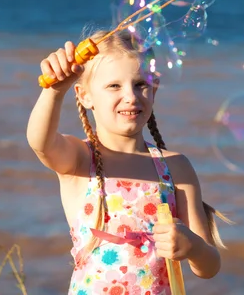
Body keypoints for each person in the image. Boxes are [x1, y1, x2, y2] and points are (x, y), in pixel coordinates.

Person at [27, 29, 230, 295]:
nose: (131, 96)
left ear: (154, 89)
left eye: (140, 83)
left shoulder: (175, 167)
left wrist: (192, 246)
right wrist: (54, 91)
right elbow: (40, 142)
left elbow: (209, 266)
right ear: (84, 95)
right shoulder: (79, 160)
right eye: (114, 86)